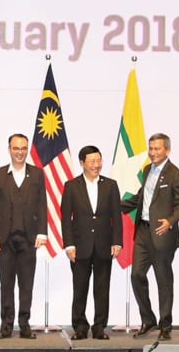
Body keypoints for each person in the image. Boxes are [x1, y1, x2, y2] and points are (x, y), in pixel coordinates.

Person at [121, 132, 179, 341]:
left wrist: (170, 221)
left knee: (163, 280)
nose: (153, 153)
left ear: (167, 150)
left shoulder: (175, 173)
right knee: (136, 275)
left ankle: (165, 324)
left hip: (162, 232)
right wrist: (113, 203)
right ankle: (148, 319)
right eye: (151, 148)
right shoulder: (148, 169)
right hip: (143, 231)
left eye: (157, 149)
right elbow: (142, 199)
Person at [0, 133, 47, 339]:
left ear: (27, 149)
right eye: (16, 148)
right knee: (6, 284)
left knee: (26, 283)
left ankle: (24, 323)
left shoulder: (37, 174)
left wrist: (42, 233)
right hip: (4, 239)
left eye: (23, 148)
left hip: (29, 238)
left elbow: (42, 204)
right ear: (9, 149)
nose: (20, 152)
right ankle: (6, 324)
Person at [61, 145, 122, 340]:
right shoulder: (71, 186)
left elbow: (116, 217)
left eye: (99, 161)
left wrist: (117, 242)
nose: (96, 165)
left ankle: (99, 327)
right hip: (80, 246)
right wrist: (69, 245)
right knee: (80, 288)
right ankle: (80, 326)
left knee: (102, 289)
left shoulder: (111, 185)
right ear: (82, 163)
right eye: (92, 162)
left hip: (104, 245)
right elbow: (65, 219)